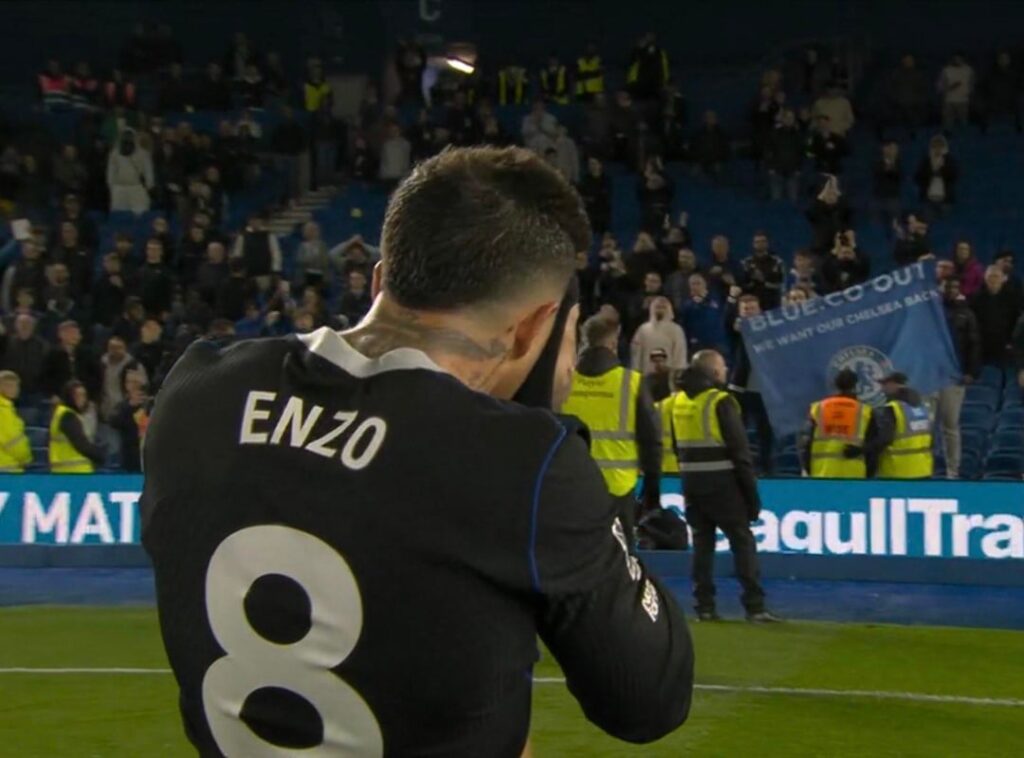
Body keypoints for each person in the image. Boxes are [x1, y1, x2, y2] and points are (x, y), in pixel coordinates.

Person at [141, 146, 694, 755]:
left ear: (381, 277)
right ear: (536, 327)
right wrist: (543, 426)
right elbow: (650, 699)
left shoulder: (196, 391)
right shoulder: (521, 464)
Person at [670, 350, 778, 622]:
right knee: (742, 543)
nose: (726, 370)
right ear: (715, 372)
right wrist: (751, 497)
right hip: (724, 485)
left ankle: (704, 606)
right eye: (723, 366)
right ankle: (755, 607)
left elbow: (676, 446)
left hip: (692, 485)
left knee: (702, 546)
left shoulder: (678, 401)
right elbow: (740, 453)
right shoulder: (721, 401)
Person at [563, 313, 663, 528]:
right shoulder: (631, 382)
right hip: (618, 487)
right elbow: (651, 440)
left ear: (583, 341)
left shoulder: (564, 380)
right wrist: (652, 493)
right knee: (622, 554)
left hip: (571, 483)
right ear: (613, 343)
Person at [933, 278, 980, 479]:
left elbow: (974, 343)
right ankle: (926, 470)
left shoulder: (966, 314)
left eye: (955, 287)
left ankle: (953, 472)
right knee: (925, 426)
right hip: (929, 375)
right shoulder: (929, 313)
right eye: (947, 286)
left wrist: (971, 371)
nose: (951, 290)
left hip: (954, 376)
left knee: (950, 425)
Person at [801, 368, 873, 478]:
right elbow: (873, 446)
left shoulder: (817, 408)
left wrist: (807, 468)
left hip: (822, 473)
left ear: (835, 385)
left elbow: (805, 443)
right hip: (854, 475)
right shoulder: (865, 411)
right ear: (855, 386)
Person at [872, 372, 933, 479]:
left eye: (884, 384)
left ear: (893, 384)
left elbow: (885, 439)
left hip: (897, 472)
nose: (882, 389)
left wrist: (863, 450)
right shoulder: (922, 407)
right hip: (923, 470)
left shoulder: (893, 409)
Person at [49, 380, 105, 473]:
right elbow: (81, 444)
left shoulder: (61, 413)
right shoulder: (67, 416)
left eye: (83, 395)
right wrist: (100, 456)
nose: (81, 399)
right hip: (73, 473)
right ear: (69, 396)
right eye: (77, 395)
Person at [631, 296, 687, 374]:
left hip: (668, 375)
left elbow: (680, 355)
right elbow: (636, 354)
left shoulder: (676, 330)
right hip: (646, 374)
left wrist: (677, 374)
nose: (660, 310)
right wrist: (636, 371)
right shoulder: (643, 329)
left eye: (663, 307)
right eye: (657, 307)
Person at [0, 371, 32, 473]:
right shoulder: (3, 410)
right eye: (11, 386)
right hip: (6, 468)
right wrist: (26, 458)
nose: (16, 390)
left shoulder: (7, 408)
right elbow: (13, 442)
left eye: (17, 386)